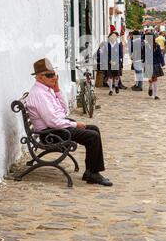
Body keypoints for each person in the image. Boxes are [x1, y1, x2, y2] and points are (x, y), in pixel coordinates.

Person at [26, 58, 112, 186]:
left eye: (54, 74)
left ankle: (90, 171)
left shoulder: (47, 90)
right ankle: (93, 174)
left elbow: (64, 110)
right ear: (39, 77)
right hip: (50, 134)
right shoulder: (39, 94)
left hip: (56, 128)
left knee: (94, 129)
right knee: (92, 136)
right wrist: (75, 124)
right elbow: (53, 121)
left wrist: (57, 90)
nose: (54, 78)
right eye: (49, 75)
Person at [144, 34, 165, 100]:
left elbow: (160, 55)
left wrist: (162, 62)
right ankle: (150, 87)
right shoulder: (145, 46)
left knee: (155, 79)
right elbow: (144, 55)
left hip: (155, 63)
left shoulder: (157, 46)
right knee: (150, 79)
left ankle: (155, 95)